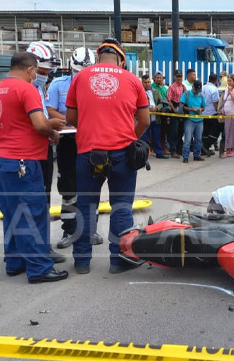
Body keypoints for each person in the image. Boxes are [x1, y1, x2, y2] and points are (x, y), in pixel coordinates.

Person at [66, 38, 150, 275]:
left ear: (98, 55)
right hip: (122, 153)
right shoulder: (133, 80)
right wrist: (128, 138)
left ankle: (82, 261)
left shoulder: (80, 77)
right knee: (121, 207)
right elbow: (144, 121)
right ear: (121, 59)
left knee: (85, 206)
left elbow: (71, 118)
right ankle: (118, 260)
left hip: (88, 152)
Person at [0, 51, 68, 283]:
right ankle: (39, 268)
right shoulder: (27, 89)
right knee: (32, 214)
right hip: (24, 161)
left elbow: (1, 126)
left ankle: (14, 262)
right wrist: (53, 128)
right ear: (31, 70)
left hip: (3, 159)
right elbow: (40, 124)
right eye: (38, 72)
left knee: (12, 213)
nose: (38, 77)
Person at [46, 46, 103, 251]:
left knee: (92, 187)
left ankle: (90, 229)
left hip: (91, 141)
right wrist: (73, 120)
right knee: (69, 188)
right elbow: (50, 109)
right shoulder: (58, 85)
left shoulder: (99, 86)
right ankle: (69, 230)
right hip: (68, 142)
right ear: (71, 67)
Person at [26, 41, 66, 197]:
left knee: (45, 192)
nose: (45, 76)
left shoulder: (39, 89)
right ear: (31, 68)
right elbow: (33, 125)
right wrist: (51, 128)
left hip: (44, 149)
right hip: (31, 153)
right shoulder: (24, 91)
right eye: (42, 72)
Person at [181, 80, 206, 163]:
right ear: (192, 87)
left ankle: (197, 155)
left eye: (198, 90)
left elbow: (204, 106)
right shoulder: (187, 94)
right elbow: (182, 105)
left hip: (199, 120)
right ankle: (185, 156)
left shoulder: (201, 95)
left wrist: (200, 109)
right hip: (189, 120)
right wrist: (191, 109)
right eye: (196, 90)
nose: (197, 92)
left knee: (198, 139)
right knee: (187, 139)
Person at [141, 74, 165, 158]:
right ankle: (144, 156)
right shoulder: (139, 93)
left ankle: (159, 153)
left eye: (148, 82)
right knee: (144, 138)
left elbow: (162, 103)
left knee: (156, 136)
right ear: (142, 83)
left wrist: (157, 108)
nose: (147, 84)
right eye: (145, 82)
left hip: (156, 117)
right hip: (145, 117)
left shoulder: (155, 91)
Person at [219, 74, 234, 158]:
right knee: (227, 131)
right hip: (227, 114)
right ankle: (228, 149)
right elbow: (224, 101)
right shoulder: (226, 89)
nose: (229, 82)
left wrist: (231, 92)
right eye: (228, 81)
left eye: (230, 81)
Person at [166, 70, 186, 158]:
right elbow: (169, 99)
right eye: (177, 76)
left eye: (180, 76)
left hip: (181, 107)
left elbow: (185, 97)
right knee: (174, 131)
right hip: (174, 107)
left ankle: (179, 149)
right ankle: (173, 150)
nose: (179, 78)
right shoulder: (171, 87)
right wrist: (174, 109)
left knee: (181, 131)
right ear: (174, 77)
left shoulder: (183, 87)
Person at [200, 73, 221, 154]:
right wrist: (218, 112)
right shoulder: (214, 89)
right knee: (214, 132)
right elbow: (215, 102)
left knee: (205, 132)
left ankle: (204, 148)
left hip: (203, 113)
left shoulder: (203, 87)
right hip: (212, 114)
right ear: (216, 80)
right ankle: (206, 146)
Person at [151, 72, 170, 154]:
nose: (159, 79)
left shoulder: (165, 88)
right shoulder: (151, 87)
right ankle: (152, 148)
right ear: (154, 78)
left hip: (164, 112)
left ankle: (163, 147)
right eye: (157, 77)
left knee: (163, 131)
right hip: (154, 112)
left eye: (160, 77)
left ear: (163, 79)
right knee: (153, 132)